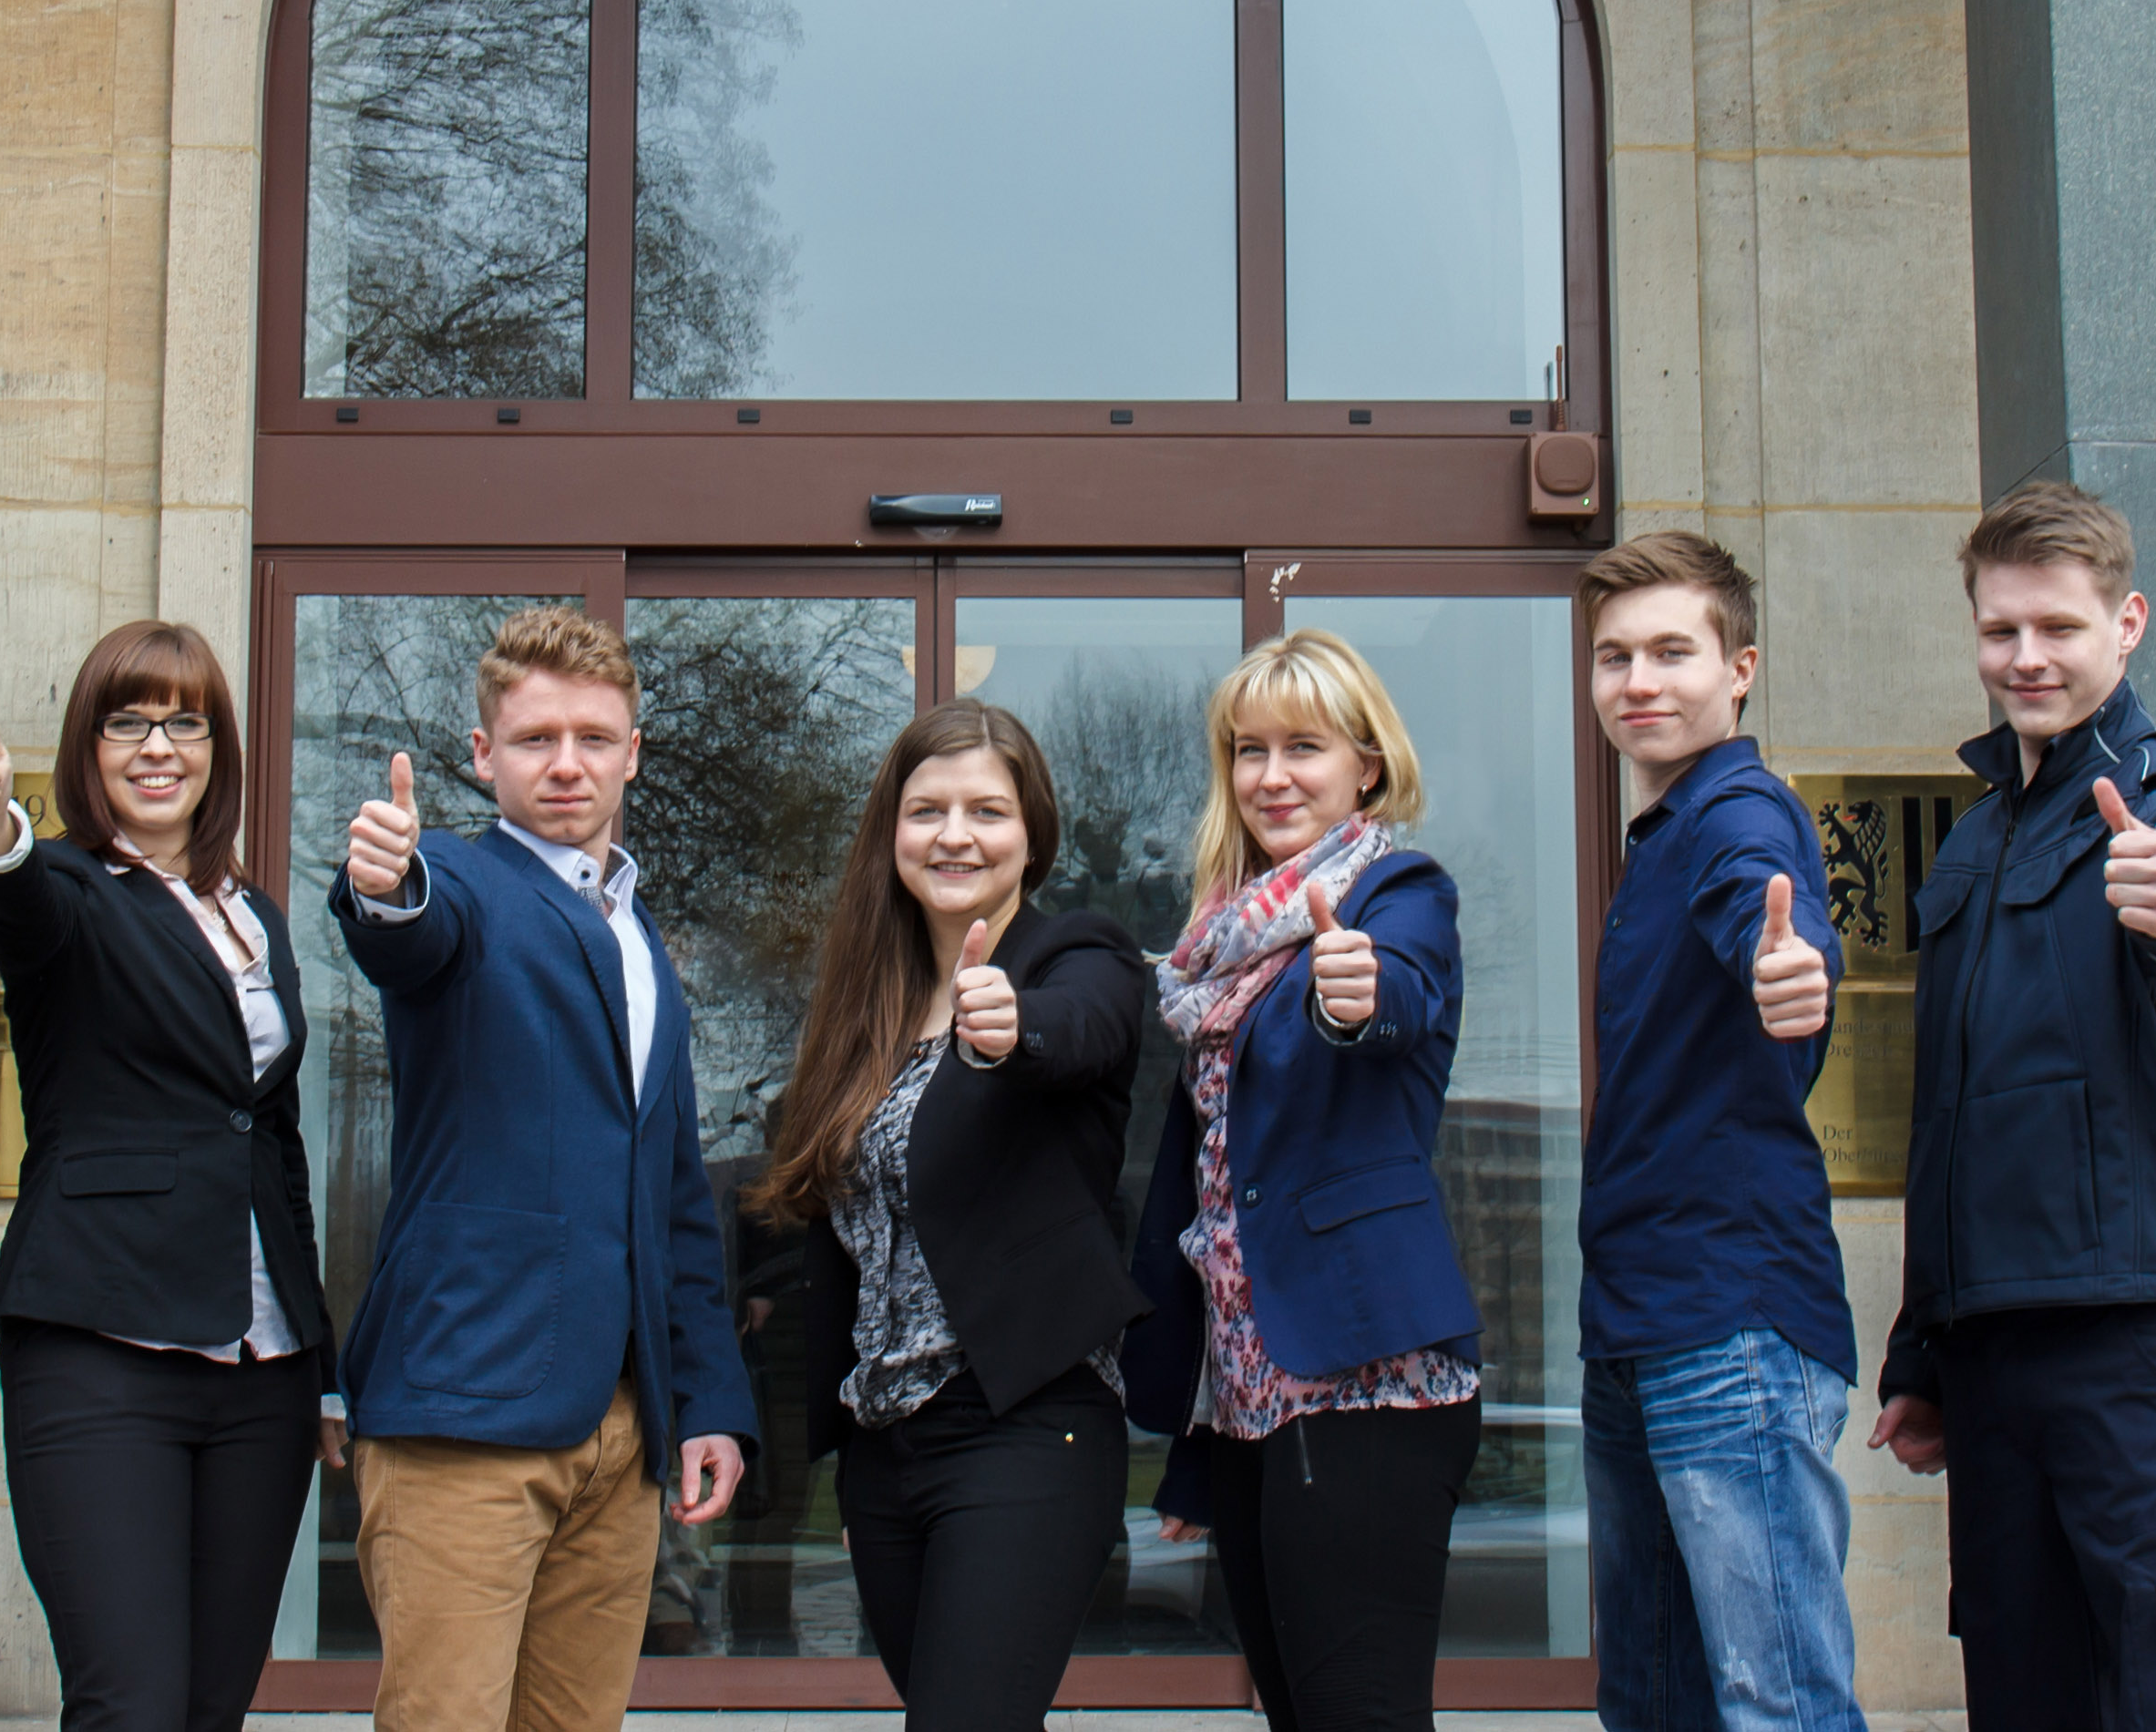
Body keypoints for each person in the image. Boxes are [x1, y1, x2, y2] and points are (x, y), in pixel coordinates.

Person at [1865, 481, 2156, 1732]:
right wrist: (1923, 1350)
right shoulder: (1972, 844)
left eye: (2057, 625)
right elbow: (1946, 1124)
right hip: (1992, 1355)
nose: (2026, 657)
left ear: (2128, 621)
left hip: (2140, 1341)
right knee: (2021, 1693)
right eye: (2001, 630)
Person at [329, 604, 761, 1732]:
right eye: (533, 740)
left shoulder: (641, 938)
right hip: (464, 1413)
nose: (566, 764)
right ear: (483, 757)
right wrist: (384, 884)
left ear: (633, 751)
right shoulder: (463, 886)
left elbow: (671, 1196)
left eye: (592, 737)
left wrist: (708, 1397)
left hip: (622, 1435)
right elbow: (405, 930)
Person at [0, 621, 338, 1732]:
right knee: (132, 1707)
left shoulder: (253, 915)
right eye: (128, 720)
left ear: (217, 748)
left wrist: (325, 1361)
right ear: (89, 742)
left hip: (264, 1369)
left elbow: (273, 1140)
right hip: (102, 1352)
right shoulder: (67, 887)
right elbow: (18, 900)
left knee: (211, 1707)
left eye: (185, 720)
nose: (157, 745)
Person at [746, 698, 1150, 1732]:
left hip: (1025, 1424)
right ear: (893, 831)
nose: (956, 835)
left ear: (1032, 833)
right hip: (885, 1452)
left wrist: (1015, 1028)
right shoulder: (862, 1012)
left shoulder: (1075, 957)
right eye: (928, 810)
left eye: (987, 810)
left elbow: (1091, 1027)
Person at [1124, 630, 1479, 1732]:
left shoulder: (1394, 894)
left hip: (1364, 1375)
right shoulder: (1218, 943)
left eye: (1304, 748)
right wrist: (1194, 1452)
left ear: (1366, 763)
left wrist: (1353, 991)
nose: (1271, 776)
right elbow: (1212, 1192)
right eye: (1248, 749)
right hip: (1247, 1402)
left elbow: (1400, 996)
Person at [1572, 531, 1863, 1732]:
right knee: (1655, 1704)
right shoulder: (1659, 839)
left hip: (1728, 1323)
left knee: (1776, 1703)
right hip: (1637, 1323)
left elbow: (1765, 906)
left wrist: (1786, 962)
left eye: (1672, 651)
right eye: (1613, 656)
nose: (1639, 680)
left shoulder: (1738, 810)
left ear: (1739, 667)